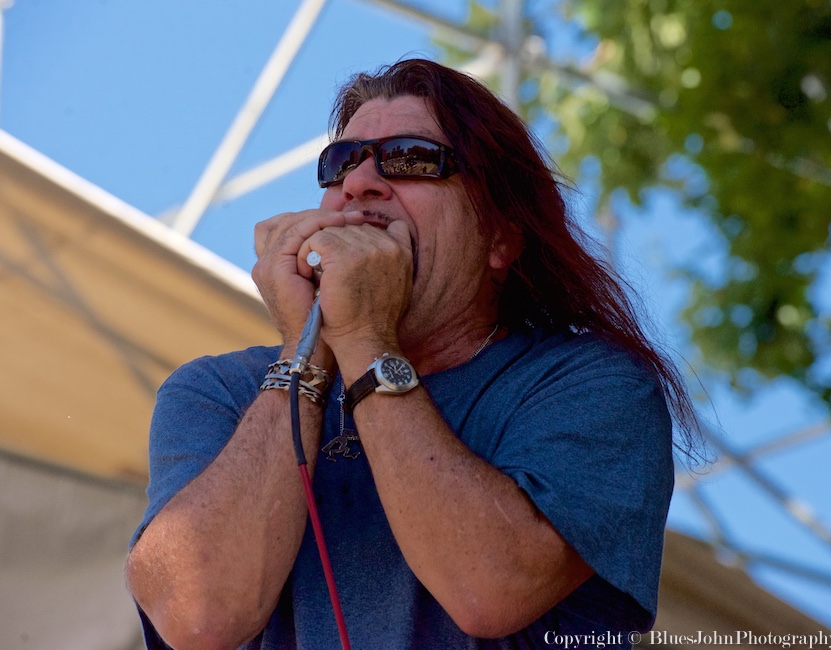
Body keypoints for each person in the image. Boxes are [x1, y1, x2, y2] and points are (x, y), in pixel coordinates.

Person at [125, 58, 699, 650]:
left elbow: (489, 587)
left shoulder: (589, 386)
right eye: (341, 162)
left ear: (500, 237)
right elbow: (197, 617)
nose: (359, 183)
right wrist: (307, 358)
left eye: (411, 158)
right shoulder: (218, 391)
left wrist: (367, 342)